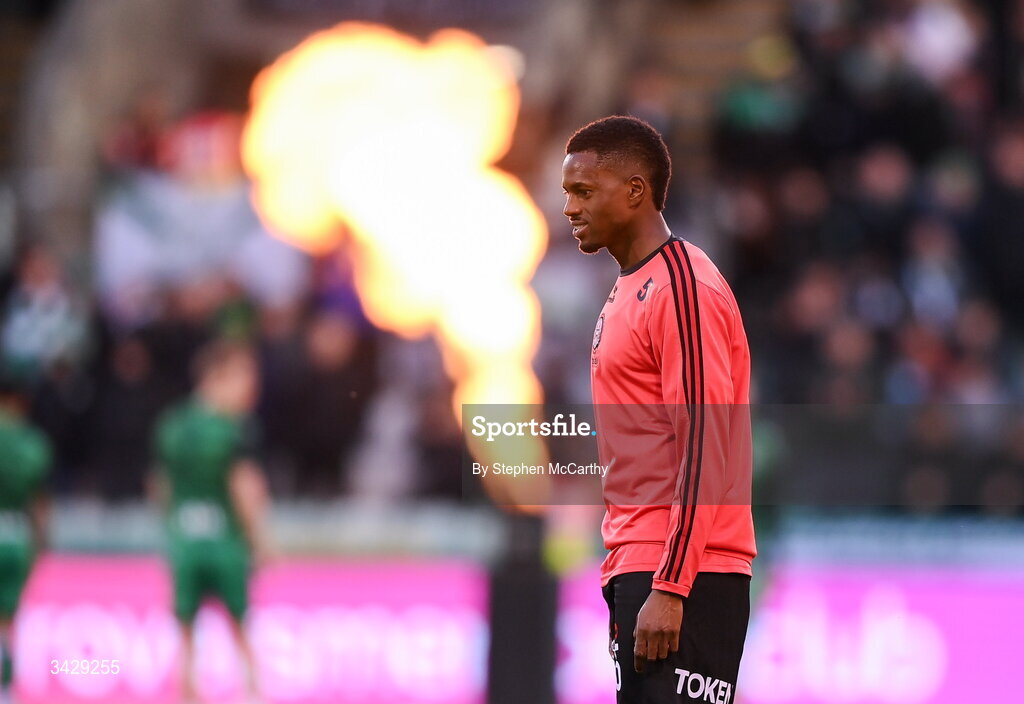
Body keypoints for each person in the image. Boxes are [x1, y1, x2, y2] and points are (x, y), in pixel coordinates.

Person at [562, 116, 756, 703]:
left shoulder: (682, 286)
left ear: (636, 191)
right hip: (639, 561)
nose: (570, 207)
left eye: (584, 191)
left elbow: (705, 443)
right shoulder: (629, 288)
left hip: (685, 571)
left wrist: (671, 584)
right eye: (568, 192)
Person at [150, 340, 271, 704]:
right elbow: (244, 488)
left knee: (186, 630)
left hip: (185, 541)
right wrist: (260, 540)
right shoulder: (233, 430)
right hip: (226, 543)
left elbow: (160, 485)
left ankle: (188, 695)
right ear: (217, 376)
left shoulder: (170, 426)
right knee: (241, 625)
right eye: (243, 377)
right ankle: (252, 693)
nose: (250, 388)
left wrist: (172, 526)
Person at [0, 376, 51, 704]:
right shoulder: (32, 444)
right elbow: (40, 504)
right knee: (9, 619)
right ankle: (6, 688)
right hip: (17, 537)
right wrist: (41, 544)